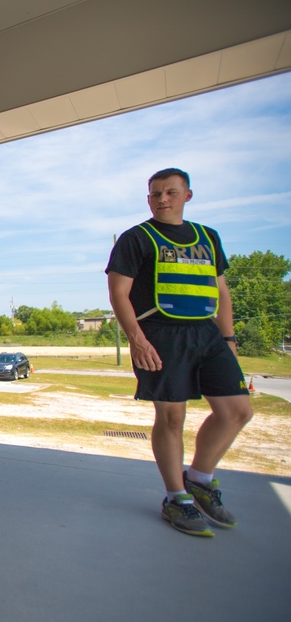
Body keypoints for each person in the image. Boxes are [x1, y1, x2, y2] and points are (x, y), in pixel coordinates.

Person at [106, 168, 252, 537]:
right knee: (172, 417)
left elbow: (221, 292)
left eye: (170, 192)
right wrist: (137, 339)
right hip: (160, 333)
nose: (162, 199)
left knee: (237, 410)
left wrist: (229, 339)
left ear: (188, 195)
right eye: (155, 193)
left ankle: (200, 478)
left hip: (207, 333)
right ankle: (176, 497)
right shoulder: (137, 238)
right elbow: (118, 294)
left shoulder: (207, 237)